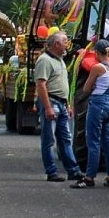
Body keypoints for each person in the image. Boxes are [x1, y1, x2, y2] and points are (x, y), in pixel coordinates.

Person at [33, 29, 83, 183]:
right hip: (52, 102)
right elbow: (41, 85)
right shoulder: (44, 60)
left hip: (61, 103)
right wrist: (48, 107)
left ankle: (73, 171)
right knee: (49, 140)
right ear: (56, 44)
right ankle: (51, 172)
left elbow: (62, 84)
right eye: (64, 42)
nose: (67, 45)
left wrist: (67, 103)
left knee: (65, 139)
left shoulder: (59, 59)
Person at [74, 39, 109, 188]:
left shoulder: (97, 68)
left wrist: (94, 84)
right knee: (107, 142)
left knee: (93, 141)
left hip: (98, 104)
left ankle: (89, 177)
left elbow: (86, 89)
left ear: (97, 53)